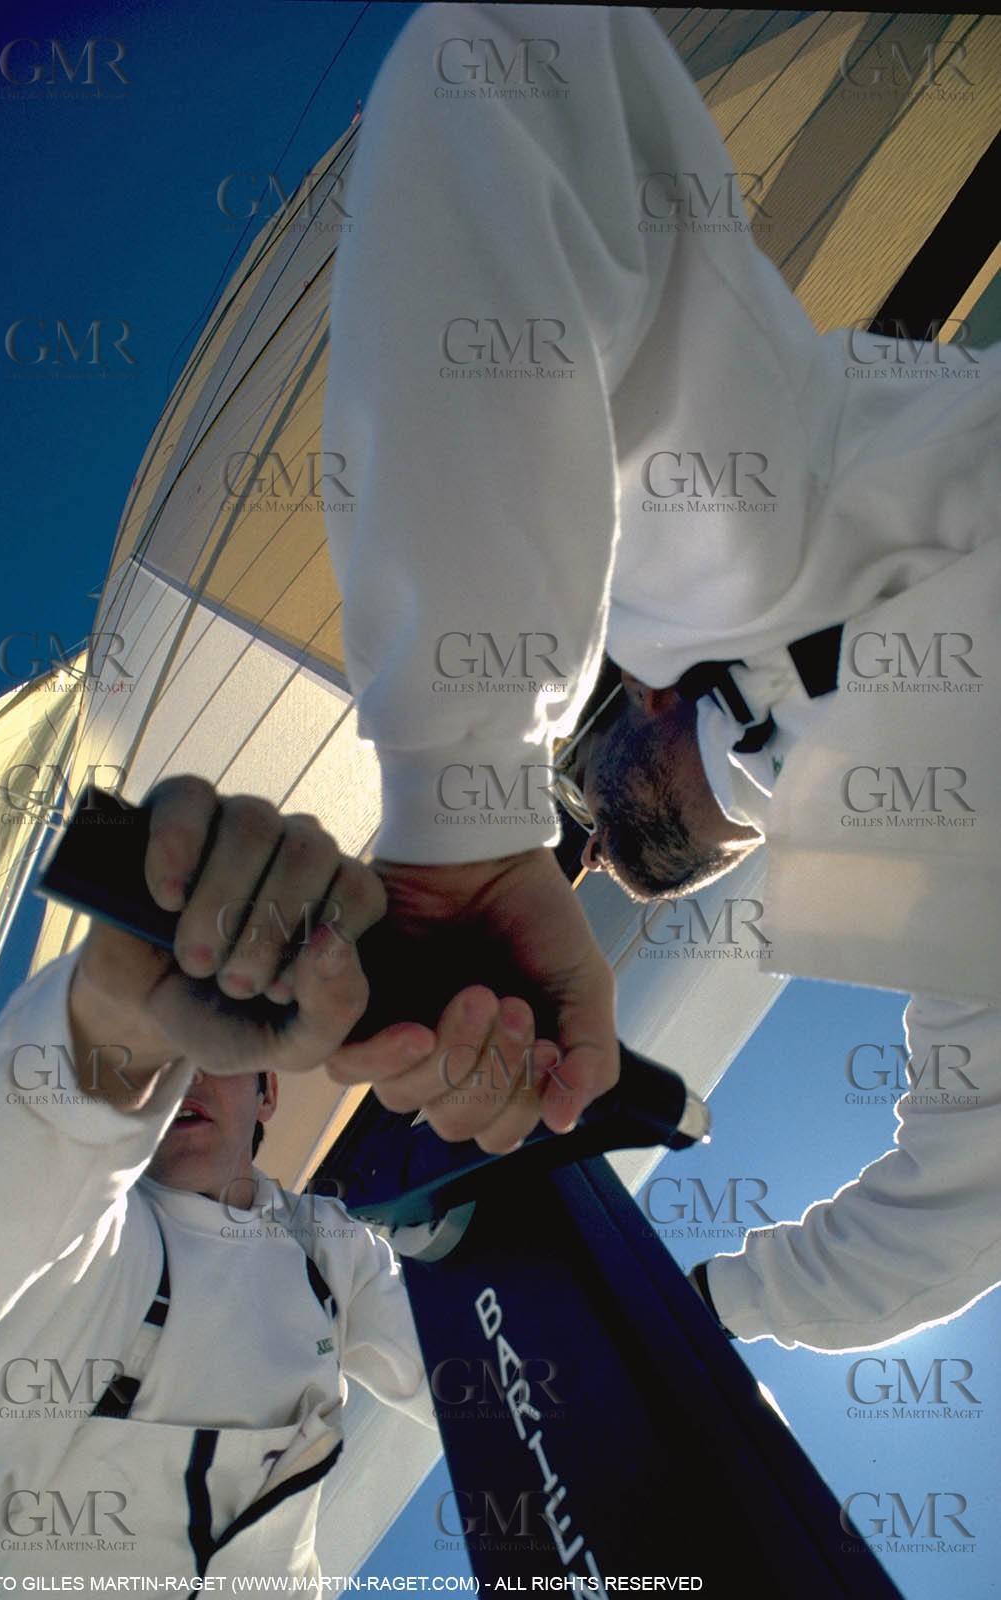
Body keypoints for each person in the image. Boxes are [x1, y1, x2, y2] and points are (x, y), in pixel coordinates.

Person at [318, 3, 1001, 1350]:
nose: (583, 841)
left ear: (640, 689)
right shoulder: (926, 876)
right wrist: (708, 1314)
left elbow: (502, 67)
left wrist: (463, 796)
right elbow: (959, 1213)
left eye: (565, 791)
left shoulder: (758, 541)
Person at [0, 776, 436, 1583]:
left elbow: (479, 1378)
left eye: (220, 1055)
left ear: (268, 1093)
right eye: (178, 1057)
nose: (192, 1077)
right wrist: (120, 1013)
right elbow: (2, 1215)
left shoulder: (329, 1249)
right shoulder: (106, 1247)